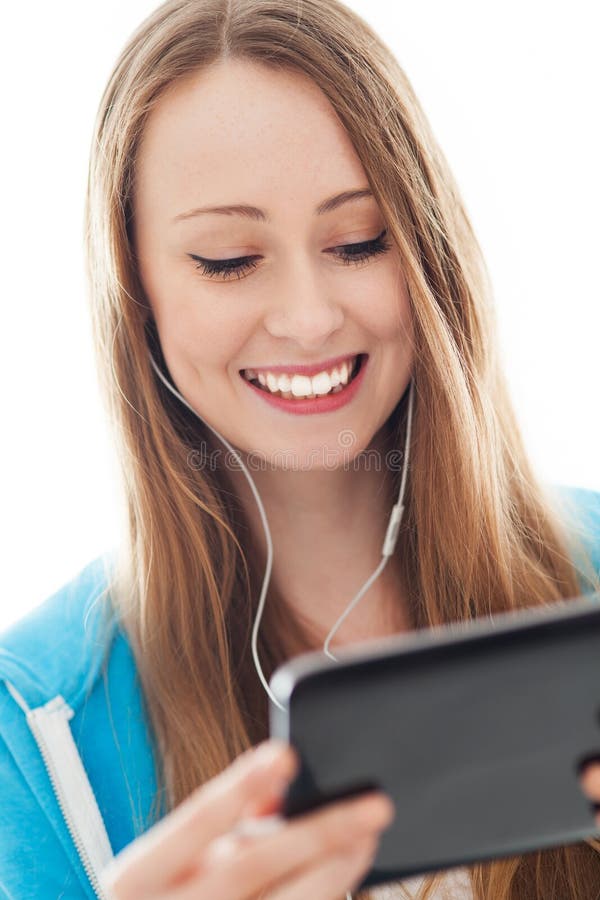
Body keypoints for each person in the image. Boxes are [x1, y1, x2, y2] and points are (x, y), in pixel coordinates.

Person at [1, 0, 600, 898]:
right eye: (228, 260)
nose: (310, 318)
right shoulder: (34, 729)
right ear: (137, 290)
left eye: (359, 242)